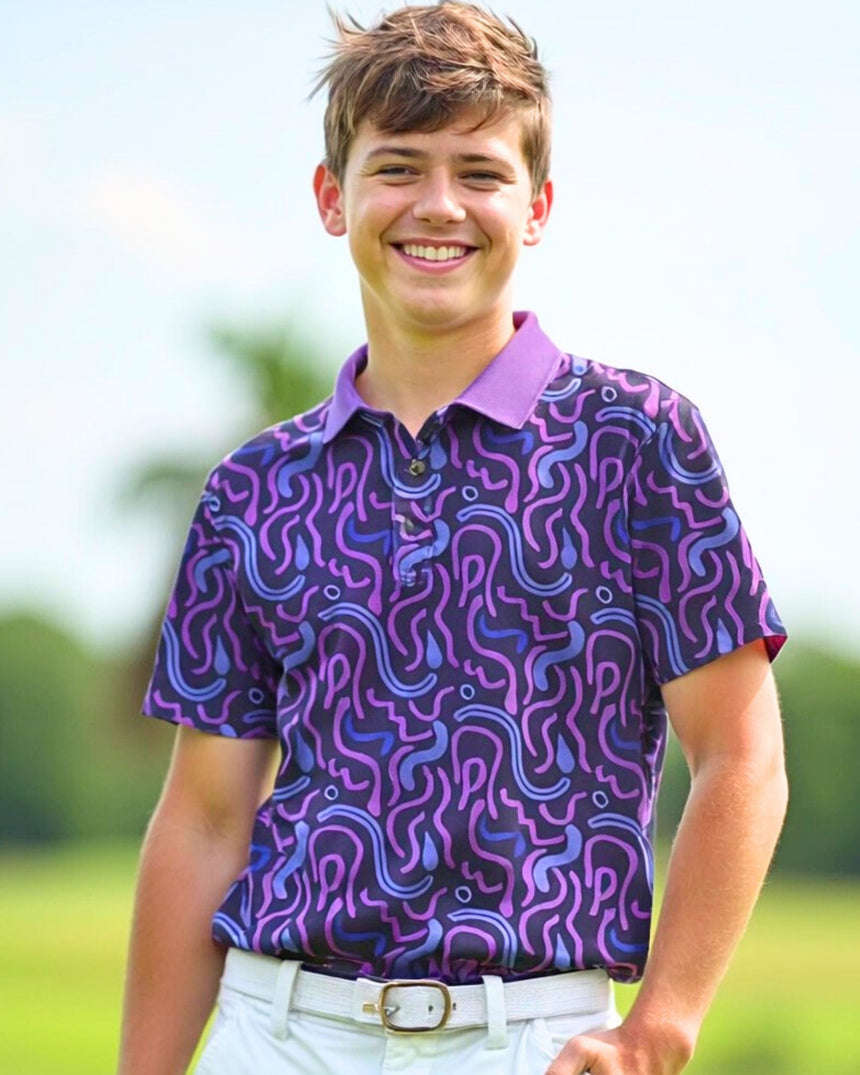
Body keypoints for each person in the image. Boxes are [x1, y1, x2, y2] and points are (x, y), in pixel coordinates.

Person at [117, 4, 788, 1074]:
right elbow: (202, 822)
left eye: (478, 172)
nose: (437, 206)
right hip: (273, 1033)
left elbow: (740, 756)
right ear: (332, 197)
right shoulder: (252, 488)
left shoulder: (638, 442)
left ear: (537, 207)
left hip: (531, 1040)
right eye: (397, 168)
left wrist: (658, 1025)